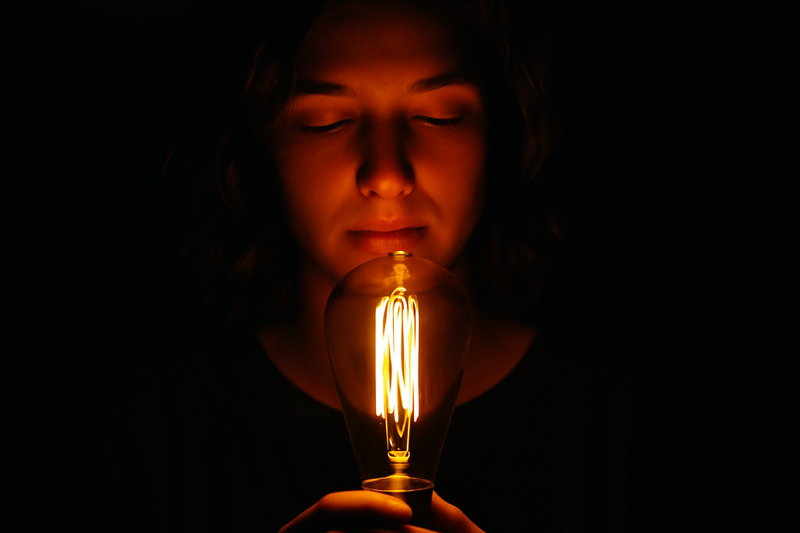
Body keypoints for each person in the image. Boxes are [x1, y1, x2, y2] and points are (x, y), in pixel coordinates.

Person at [90, 1, 691, 531]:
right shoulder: (145, 440)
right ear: (258, 145)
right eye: (325, 122)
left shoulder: (637, 433)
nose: (386, 175)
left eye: (439, 117)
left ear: (503, 137)